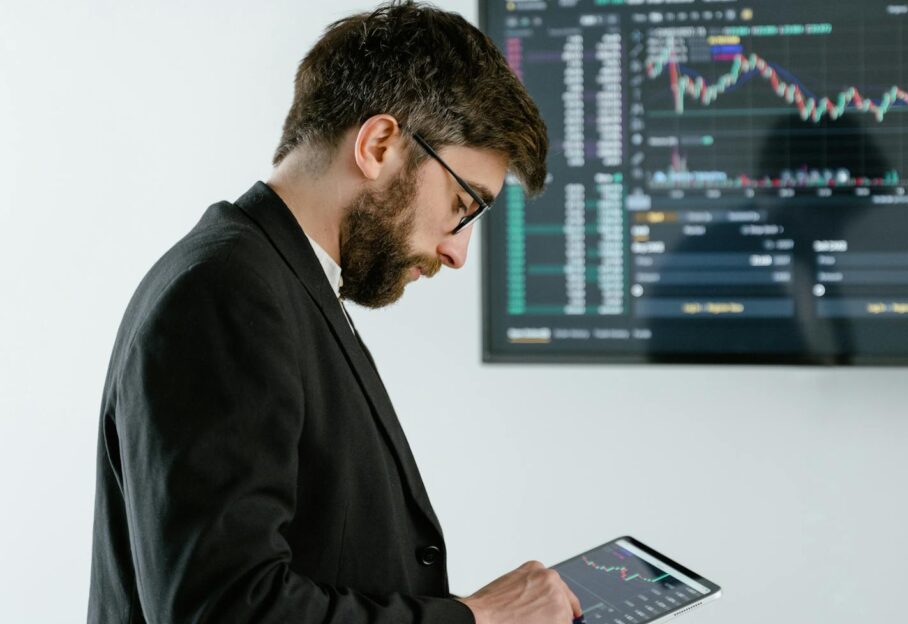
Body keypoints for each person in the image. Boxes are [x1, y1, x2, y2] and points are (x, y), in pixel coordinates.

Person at [86, 2, 581, 622]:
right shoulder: (225, 294)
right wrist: (477, 618)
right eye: (462, 203)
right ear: (378, 145)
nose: (457, 252)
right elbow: (224, 610)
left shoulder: (277, 284)